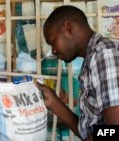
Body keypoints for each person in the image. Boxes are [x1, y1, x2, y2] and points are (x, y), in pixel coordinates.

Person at [36, 5, 119, 141]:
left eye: (52, 42)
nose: (53, 51)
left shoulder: (104, 55)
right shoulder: (91, 59)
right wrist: (54, 103)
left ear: (68, 28)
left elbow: (113, 131)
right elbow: (92, 132)